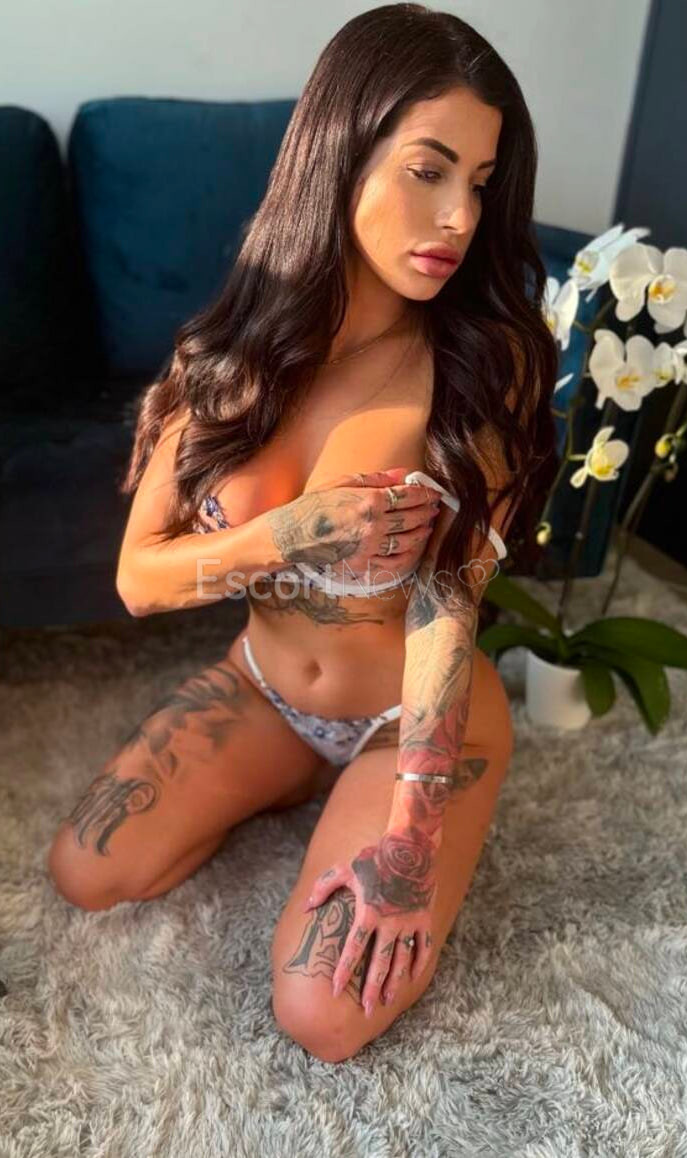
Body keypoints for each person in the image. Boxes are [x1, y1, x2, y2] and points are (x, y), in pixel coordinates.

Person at [46, 4, 557, 1062]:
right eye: (428, 169)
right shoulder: (226, 355)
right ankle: (296, 779)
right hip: (261, 688)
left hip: (412, 719)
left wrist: (409, 831)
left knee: (321, 1016)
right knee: (88, 872)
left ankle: (363, 796)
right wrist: (291, 534)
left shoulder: (480, 365)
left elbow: (448, 601)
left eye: (480, 182)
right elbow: (140, 579)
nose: (458, 216)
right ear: (339, 154)